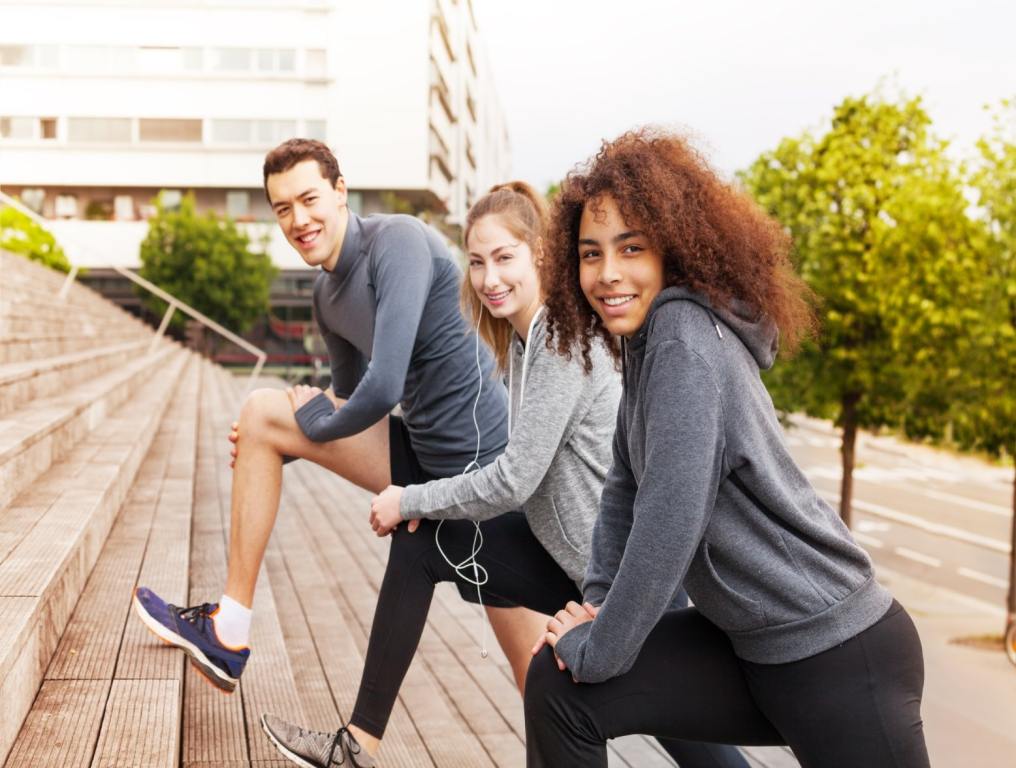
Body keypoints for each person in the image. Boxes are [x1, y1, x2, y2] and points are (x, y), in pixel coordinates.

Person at [260, 182, 749, 768]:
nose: (489, 278)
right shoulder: (524, 342)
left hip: (625, 581)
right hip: (570, 561)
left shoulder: (566, 342)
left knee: (700, 751)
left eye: (504, 258)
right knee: (424, 549)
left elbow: (514, 480)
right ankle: (357, 746)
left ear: (539, 255)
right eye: (476, 263)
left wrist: (410, 498)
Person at [525, 129, 930, 768]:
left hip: (839, 656)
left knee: (577, 673)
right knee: (559, 688)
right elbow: (624, 492)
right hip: (752, 651)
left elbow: (672, 516)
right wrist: (597, 608)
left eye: (631, 248)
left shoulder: (683, 339)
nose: (607, 274)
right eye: (590, 253)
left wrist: (600, 648)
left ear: (672, 250)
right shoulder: (645, 345)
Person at [131, 138, 538, 695]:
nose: (299, 219)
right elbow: (348, 400)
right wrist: (275, 443)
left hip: (484, 477)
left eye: (309, 198)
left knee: (541, 680)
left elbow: (383, 384)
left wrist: (311, 429)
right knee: (261, 415)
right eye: (282, 208)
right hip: (419, 457)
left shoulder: (398, 243)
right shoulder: (326, 294)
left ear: (340, 192)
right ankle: (229, 630)